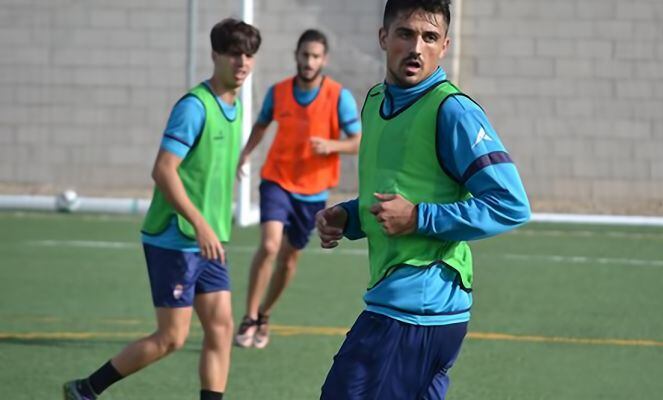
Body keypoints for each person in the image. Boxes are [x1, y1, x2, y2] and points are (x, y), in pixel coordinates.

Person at [314, 0, 531, 398]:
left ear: (444, 45)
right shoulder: (376, 102)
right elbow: (399, 195)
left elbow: (510, 203)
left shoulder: (454, 112)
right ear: (383, 37)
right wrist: (349, 217)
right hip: (411, 308)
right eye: (405, 34)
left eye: (429, 37)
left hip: (417, 309)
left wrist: (420, 218)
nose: (417, 47)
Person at [62, 18, 261, 400]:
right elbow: (163, 170)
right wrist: (200, 223)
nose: (242, 63)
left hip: (210, 239)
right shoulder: (194, 107)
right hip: (176, 237)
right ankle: (86, 389)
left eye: (249, 55)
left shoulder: (235, 107)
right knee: (172, 337)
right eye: (234, 53)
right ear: (215, 55)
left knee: (220, 328)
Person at [234, 29, 361, 349]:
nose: (309, 61)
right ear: (296, 56)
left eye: (315, 56)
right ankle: (248, 316)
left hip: (313, 190)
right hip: (277, 180)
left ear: (324, 59)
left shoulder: (338, 96)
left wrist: (331, 144)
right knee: (270, 245)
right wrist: (246, 152)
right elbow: (262, 124)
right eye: (304, 55)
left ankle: (264, 314)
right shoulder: (279, 92)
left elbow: (359, 141)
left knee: (289, 260)